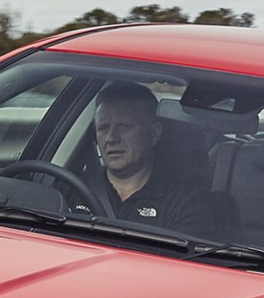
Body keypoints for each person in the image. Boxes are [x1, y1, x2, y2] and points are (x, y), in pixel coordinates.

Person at [73, 81, 215, 236]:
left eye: (124, 126)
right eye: (103, 128)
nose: (111, 138)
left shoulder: (186, 205)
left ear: (154, 134)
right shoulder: (72, 189)